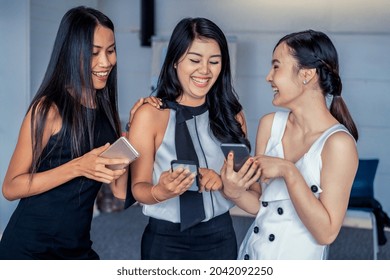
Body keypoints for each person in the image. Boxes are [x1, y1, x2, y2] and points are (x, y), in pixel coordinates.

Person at [0, 6, 130, 260]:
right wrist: (78, 166)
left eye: (110, 51)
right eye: (94, 53)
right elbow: (11, 187)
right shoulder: (47, 109)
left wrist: (131, 139)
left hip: (75, 247)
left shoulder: (106, 111)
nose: (106, 62)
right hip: (30, 249)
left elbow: (120, 192)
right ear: (73, 53)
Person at [221, 30, 359, 260]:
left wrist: (288, 171)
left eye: (276, 66)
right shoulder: (270, 125)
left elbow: (326, 232)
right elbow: (260, 205)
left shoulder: (339, 144)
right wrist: (234, 191)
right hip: (252, 256)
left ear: (306, 74)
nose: (268, 77)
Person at [127, 17, 251, 260]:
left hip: (220, 234)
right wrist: (160, 191)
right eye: (195, 60)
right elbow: (138, 187)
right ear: (174, 61)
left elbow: (248, 186)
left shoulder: (232, 115)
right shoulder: (149, 115)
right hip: (165, 240)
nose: (204, 71)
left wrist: (224, 183)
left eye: (214, 61)